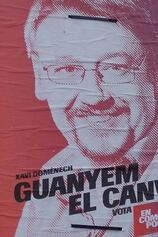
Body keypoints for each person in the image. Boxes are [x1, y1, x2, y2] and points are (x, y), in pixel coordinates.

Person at [16, 0, 158, 236]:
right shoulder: (50, 182)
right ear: (39, 80)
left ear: (154, 72)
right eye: (67, 70)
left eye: (116, 67)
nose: (94, 96)